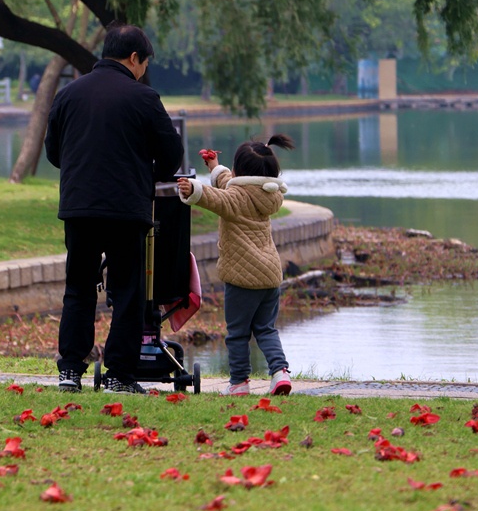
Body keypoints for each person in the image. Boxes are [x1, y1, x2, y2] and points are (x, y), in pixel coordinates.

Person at [44, 24, 184, 393]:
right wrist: (148, 175)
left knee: (78, 288)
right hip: (126, 209)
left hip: (79, 207)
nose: (143, 71)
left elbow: (54, 153)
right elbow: (172, 154)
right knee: (127, 292)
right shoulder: (144, 98)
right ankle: (119, 375)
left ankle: (70, 371)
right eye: (144, 63)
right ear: (134, 58)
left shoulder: (67, 95)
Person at [177, 134, 295, 396]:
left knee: (238, 333)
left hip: (243, 277)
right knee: (266, 329)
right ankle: (280, 372)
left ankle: (239, 382)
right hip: (270, 274)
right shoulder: (269, 196)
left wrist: (194, 189)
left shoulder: (236, 199)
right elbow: (228, 184)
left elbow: (217, 198)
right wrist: (215, 167)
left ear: (240, 170)